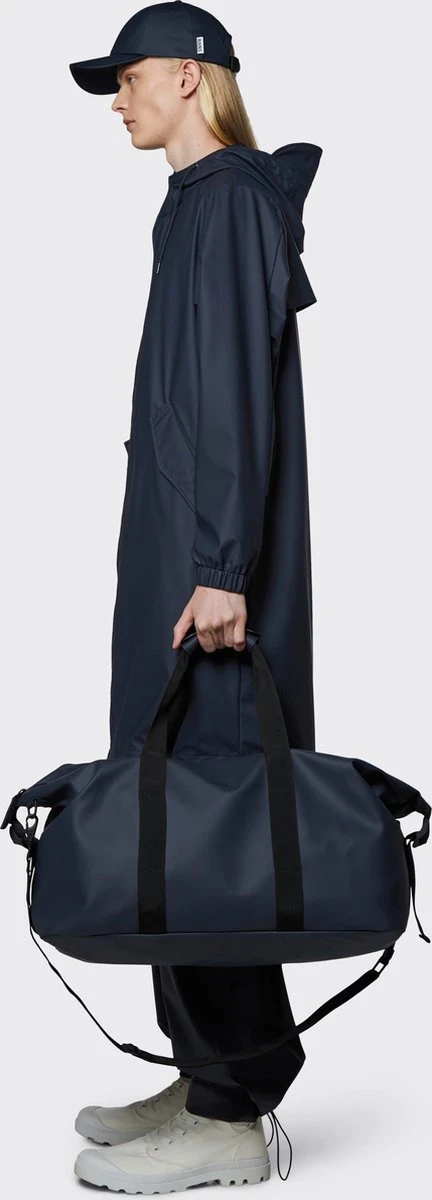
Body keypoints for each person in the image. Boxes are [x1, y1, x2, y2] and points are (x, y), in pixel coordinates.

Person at [69, 2, 322, 1191]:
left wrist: (221, 567)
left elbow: (231, 393)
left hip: (207, 575)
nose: (116, 101)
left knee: (210, 810)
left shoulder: (225, 203)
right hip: (177, 557)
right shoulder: (199, 204)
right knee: (175, 801)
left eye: (127, 79)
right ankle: (211, 1064)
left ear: (188, 75)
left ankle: (229, 1116)